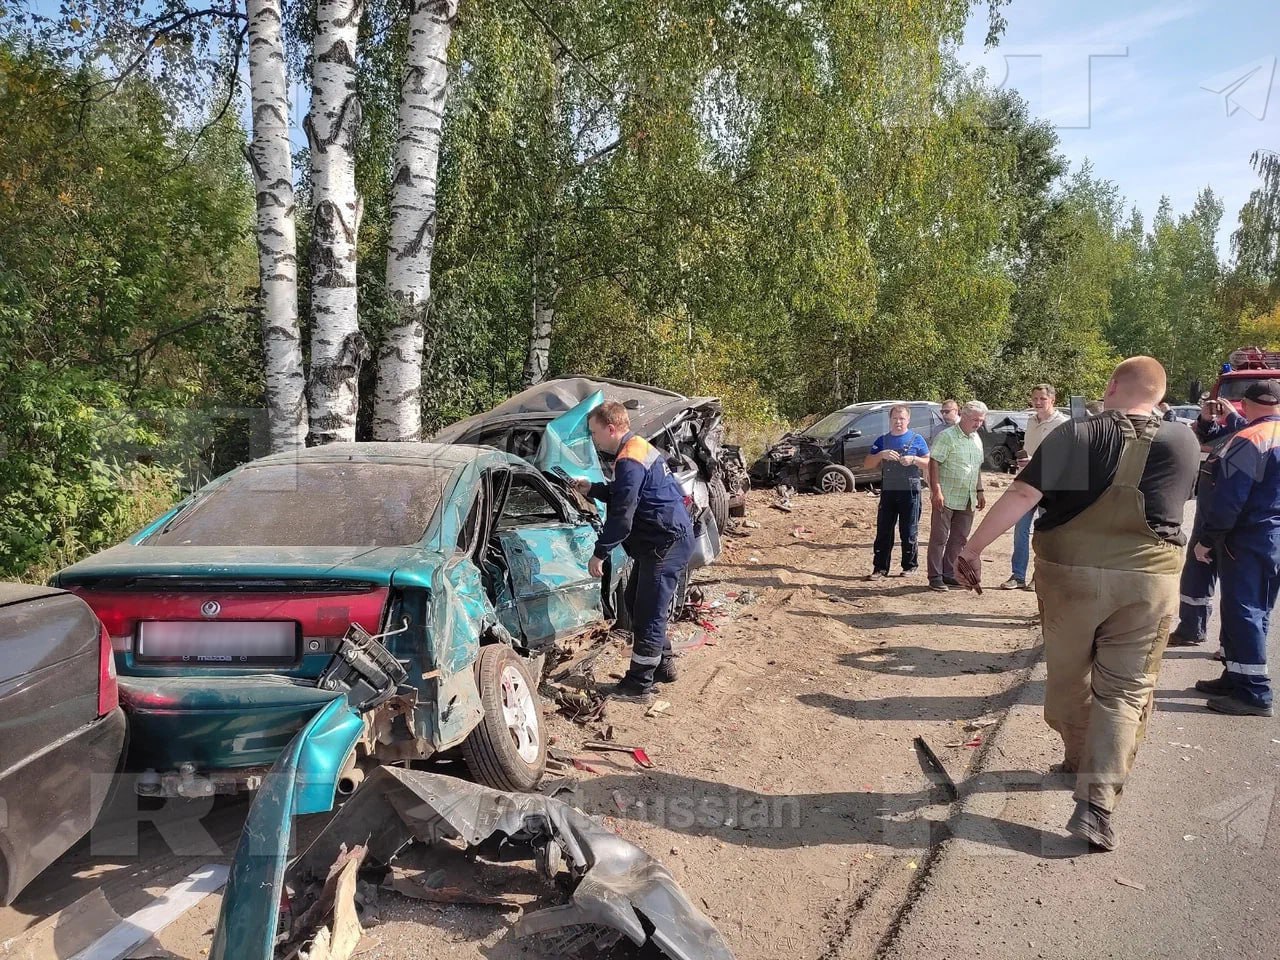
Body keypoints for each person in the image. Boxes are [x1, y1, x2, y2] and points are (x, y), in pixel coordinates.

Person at [953, 357, 1199, 851]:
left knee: (1068, 679)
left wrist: (973, 548)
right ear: (1159, 394)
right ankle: (1097, 805)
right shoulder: (1183, 441)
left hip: (1069, 580)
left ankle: (1077, 755)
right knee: (1126, 692)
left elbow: (1023, 493)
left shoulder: (1079, 436)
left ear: (1111, 387)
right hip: (1147, 585)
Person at [572, 400, 694, 704]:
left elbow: (623, 515)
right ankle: (662, 665)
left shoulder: (628, 458)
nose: (594, 440)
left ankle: (638, 685)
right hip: (663, 540)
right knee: (636, 601)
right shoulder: (636, 447)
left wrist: (600, 553)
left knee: (648, 611)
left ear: (611, 429)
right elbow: (628, 491)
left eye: (595, 433)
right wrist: (595, 489)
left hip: (665, 542)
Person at [1187, 381, 1280, 717]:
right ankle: (1237, 676)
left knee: (1244, 612)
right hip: (1272, 537)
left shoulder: (1248, 439)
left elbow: (1230, 500)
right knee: (1258, 610)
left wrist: (1207, 540)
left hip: (1249, 537)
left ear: (1245, 404)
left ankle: (1254, 693)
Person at [1167, 395, 1244, 649]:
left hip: (1237, 522)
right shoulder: (1232, 429)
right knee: (1196, 575)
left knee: (1237, 590)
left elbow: (1244, 436)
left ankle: (1232, 651)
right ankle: (1191, 628)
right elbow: (1209, 439)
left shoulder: (1259, 432)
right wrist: (1205, 419)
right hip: (1210, 514)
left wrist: (1233, 416)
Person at [1002, 384, 1069, 590]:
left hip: (1050, 487)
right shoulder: (1031, 421)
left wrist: (1036, 461)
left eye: (1042, 399)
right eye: (1035, 399)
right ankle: (1017, 575)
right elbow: (1028, 450)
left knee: (1044, 533)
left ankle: (1039, 576)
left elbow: (1064, 458)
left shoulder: (1063, 424)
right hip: (1027, 483)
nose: (1038, 402)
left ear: (1052, 400)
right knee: (1020, 529)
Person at [863, 404, 930, 579]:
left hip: (910, 490)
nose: (898, 422)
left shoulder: (917, 439)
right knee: (884, 530)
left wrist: (914, 459)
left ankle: (910, 566)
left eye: (902, 418)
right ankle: (880, 568)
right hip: (889, 490)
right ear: (890, 420)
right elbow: (867, 464)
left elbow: (930, 463)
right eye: (895, 419)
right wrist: (880, 455)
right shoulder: (882, 440)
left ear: (908, 420)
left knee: (909, 530)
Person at [926, 401, 987, 591]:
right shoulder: (947, 436)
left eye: (981, 420)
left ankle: (949, 573)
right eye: (975, 419)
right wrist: (936, 490)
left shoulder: (976, 438)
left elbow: (976, 467)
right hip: (947, 495)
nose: (978, 424)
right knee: (939, 537)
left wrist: (980, 490)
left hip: (968, 497)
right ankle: (935, 576)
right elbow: (934, 461)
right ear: (964, 416)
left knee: (959, 539)